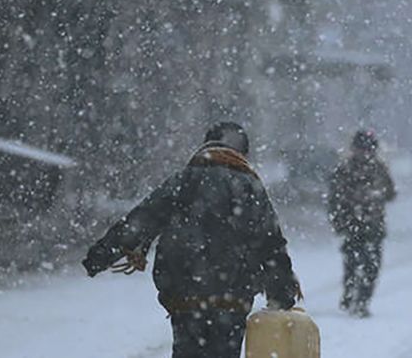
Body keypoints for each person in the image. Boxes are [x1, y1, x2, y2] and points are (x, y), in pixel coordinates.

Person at [82, 122, 300, 358]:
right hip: (233, 296)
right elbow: (269, 242)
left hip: (185, 294)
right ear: (243, 153)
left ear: (204, 145)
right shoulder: (249, 186)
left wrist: (101, 254)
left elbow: (143, 218)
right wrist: (281, 291)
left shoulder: (183, 180)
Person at [327, 129, 396, 318]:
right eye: (362, 149)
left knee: (366, 265)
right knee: (356, 264)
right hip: (356, 226)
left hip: (369, 227)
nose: (365, 153)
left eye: (368, 149)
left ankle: (359, 300)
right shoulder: (347, 170)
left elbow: (390, 193)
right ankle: (353, 298)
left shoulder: (376, 169)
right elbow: (334, 199)